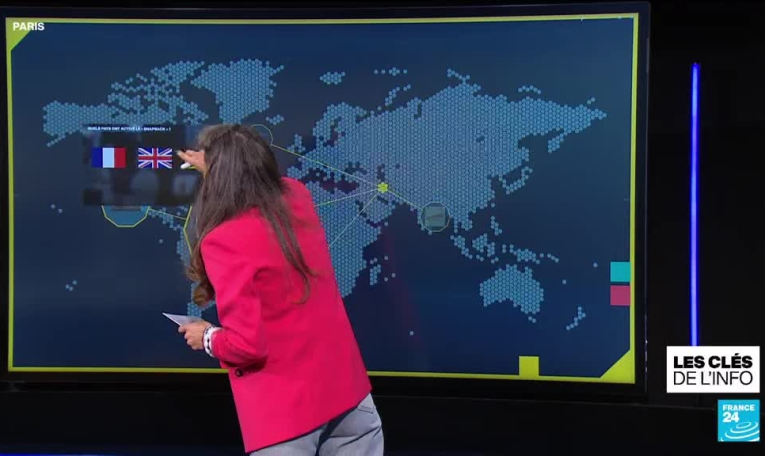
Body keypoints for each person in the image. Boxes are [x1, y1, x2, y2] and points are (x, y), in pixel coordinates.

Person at [176, 124, 383, 455]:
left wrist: (207, 337)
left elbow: (246, 346)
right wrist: (218, 165)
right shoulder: (297, 195)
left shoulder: (223, 239)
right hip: (348, 396)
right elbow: (256, 181)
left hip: (288, 415)